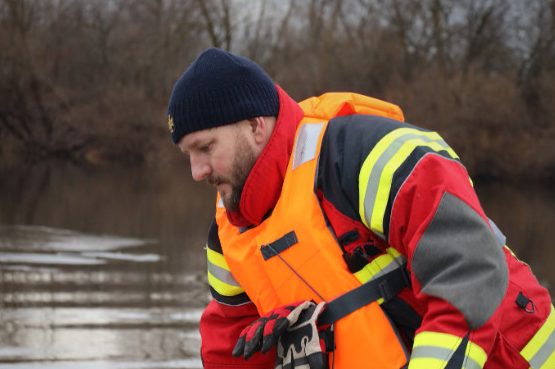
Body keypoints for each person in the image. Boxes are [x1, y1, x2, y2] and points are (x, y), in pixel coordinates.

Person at [166, 48, 555, 369]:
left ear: (255, 127)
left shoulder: (370, 156)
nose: (197, 172)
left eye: (206, 148)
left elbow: (469, 273)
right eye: (188, 155)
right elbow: (227, 347)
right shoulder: (227, 233)